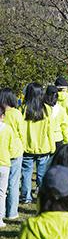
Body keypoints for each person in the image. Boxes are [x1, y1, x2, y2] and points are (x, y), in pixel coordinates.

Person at [20, 83, 54, 204]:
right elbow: (50, 130)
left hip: (26, 147)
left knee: (26, 173)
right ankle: (42, 195)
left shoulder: (23, 109)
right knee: (42, 174)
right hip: (43, 147)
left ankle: (26, 197)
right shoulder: (47, 109)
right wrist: (52, 146)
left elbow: (20, 129)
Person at [0, 88, 23, 220]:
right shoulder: (16, 113)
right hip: (15, 151)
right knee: (13, 183)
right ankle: (12, 212)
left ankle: (1, 211)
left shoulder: (2, 113)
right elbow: (21, 132)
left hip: (2, 151)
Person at [44, 85, 68, 151]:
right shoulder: (61, 109)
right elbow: (65, 126)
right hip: (58, 138)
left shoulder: (42, 109)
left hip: (45, 139)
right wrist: (66, 139)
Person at [0, 105, 11, 228]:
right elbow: (12, 147)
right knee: (2, 193)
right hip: (4, 163)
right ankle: (0, 218)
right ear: (2, 116)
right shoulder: (7, 129)